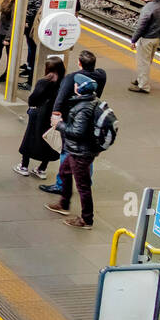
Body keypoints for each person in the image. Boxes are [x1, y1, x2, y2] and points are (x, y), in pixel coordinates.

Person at [46, 74, 101, 230]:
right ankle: (64, 203)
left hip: (81, 152)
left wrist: (60, 124)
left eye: (76, 84)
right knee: (64, 172)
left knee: (83, 186)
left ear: (80, 89)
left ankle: (87, 219)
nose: (74, 86)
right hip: (78, 149)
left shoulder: (83, 108)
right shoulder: (90, 101)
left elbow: (77, 132)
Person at [17, 56, 65, 179]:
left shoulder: (44, 82)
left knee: (29, 139)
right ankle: (42, 169)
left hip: (39, 114)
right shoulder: (63, 83)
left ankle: (24, 166)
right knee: (49, 140)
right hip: (53, 116)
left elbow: (33, 99)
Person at [129, 0, 160, 94]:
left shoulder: (148, 8)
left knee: (143, 63)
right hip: (157, 38)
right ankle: (140, 79)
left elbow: (141, 26)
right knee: (147, 61)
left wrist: (133, 40)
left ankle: (143, 86)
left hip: (147, 39)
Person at [19, 0, 47, 85]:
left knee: (32, 48)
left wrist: (26, 21)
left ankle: (31, 70)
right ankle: (29, 66)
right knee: (30, 47)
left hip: (31, 26)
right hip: (28, 26)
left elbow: (34, 11)